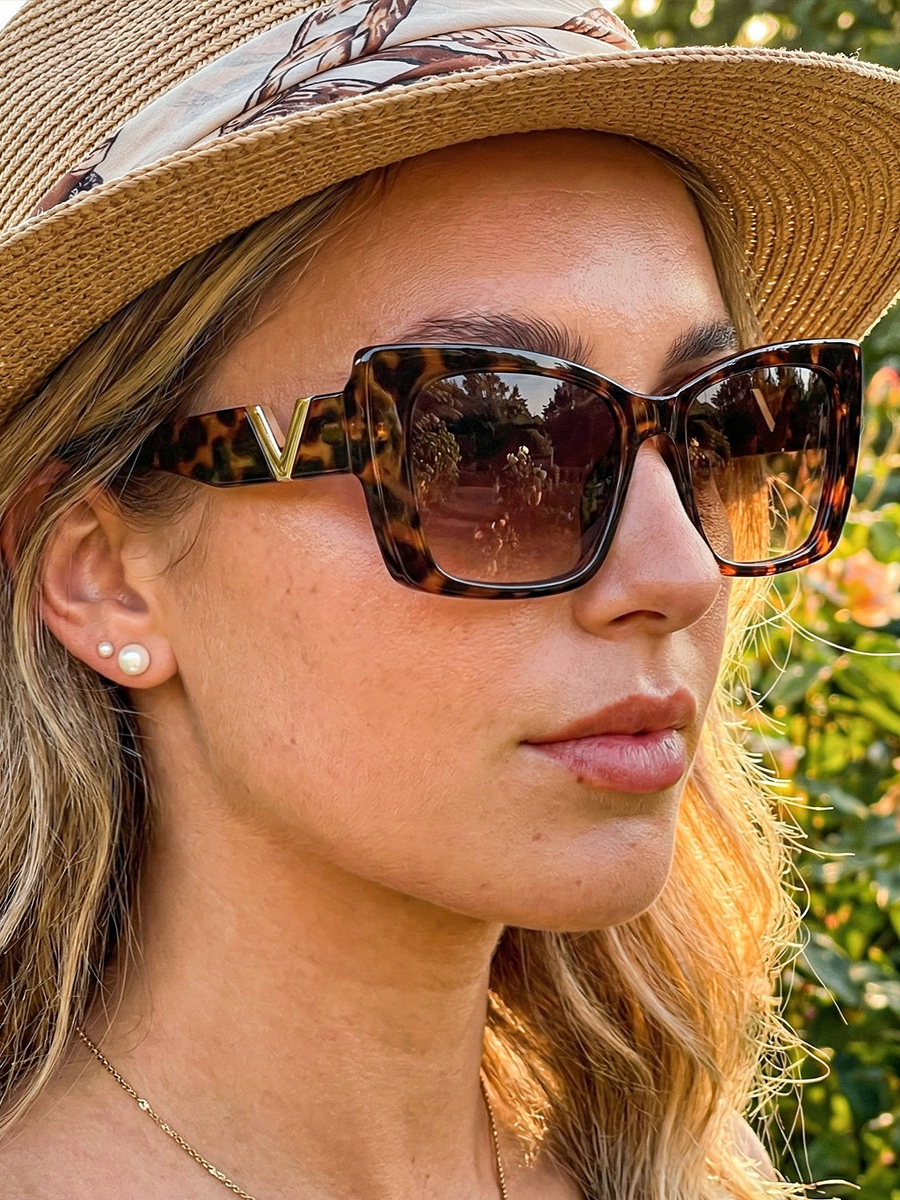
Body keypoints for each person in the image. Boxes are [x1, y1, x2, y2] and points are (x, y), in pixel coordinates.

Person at [0, 2, 898, 1198]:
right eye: (484, 445)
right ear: (101, 573)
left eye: (723, 424)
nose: (682, 573)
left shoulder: (682, 1165)